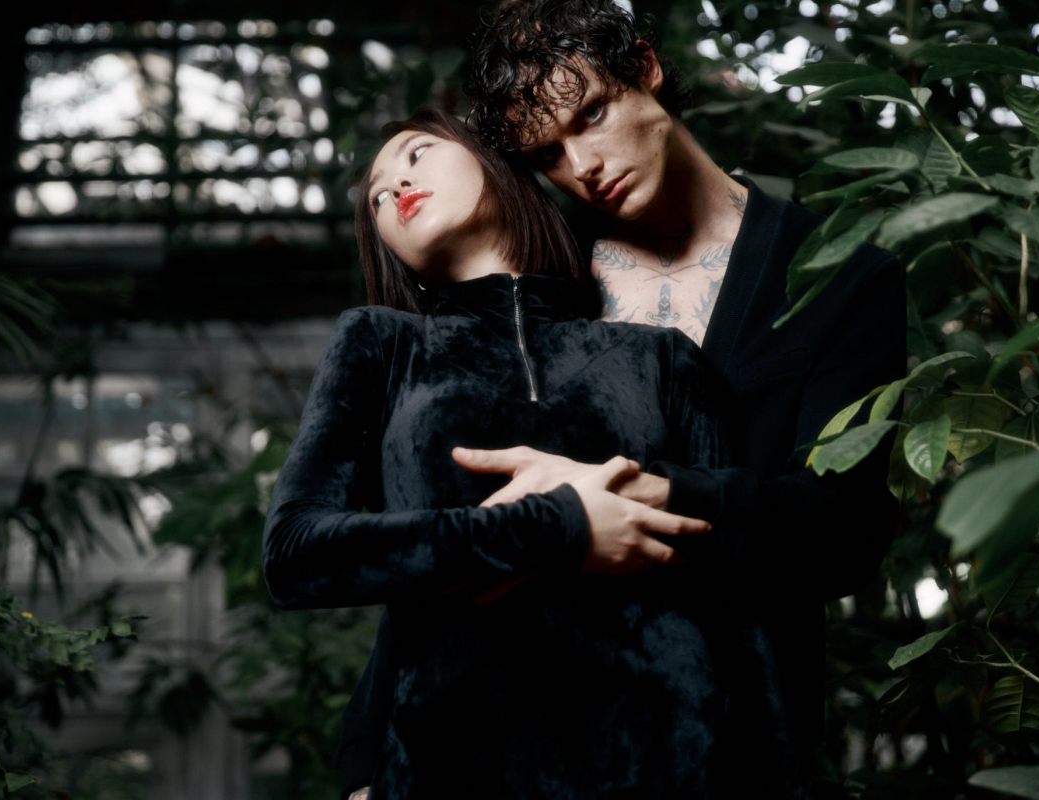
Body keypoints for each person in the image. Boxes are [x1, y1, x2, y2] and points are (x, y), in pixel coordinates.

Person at [337, 2, 907, 798]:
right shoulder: (542, 273)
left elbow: (844, 532)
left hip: (732, 748)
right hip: (522, 743)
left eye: (592, 116)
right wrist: (367, 764)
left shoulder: (837, 276)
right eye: (548, 153)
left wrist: (640, 493)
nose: (583, 165)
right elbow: (447, 519)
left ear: (644, 69)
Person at [262, 107, 742, 797]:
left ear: (495, 162)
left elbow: (739, 585)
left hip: (664, 763)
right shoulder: (383, 346)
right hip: (451, 766)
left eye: (417, 154)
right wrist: (557, 528)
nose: (395, 187)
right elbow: (296, 555)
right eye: (376, 197)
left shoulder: (660, 356)